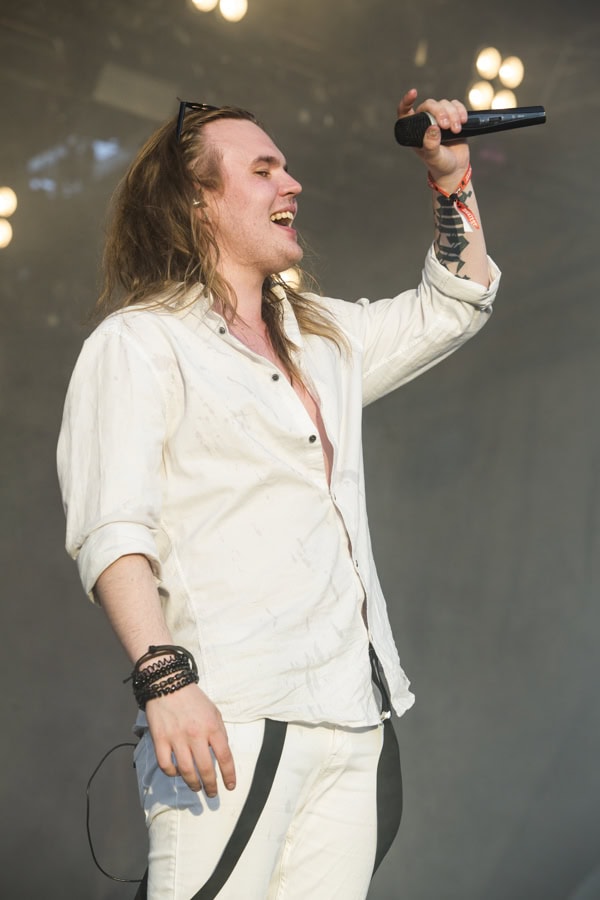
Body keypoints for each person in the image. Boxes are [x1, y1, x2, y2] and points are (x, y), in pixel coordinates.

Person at [57, 89, 500, 900]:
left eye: (286, 167)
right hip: (231, 712)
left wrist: (451, 182)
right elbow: (112, 529)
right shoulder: (140, 343)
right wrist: (165, 682)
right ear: (197, 201)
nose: (291, 184)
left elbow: (454, 306)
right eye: (263, 170)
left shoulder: (318, 336)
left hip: (352, 715)